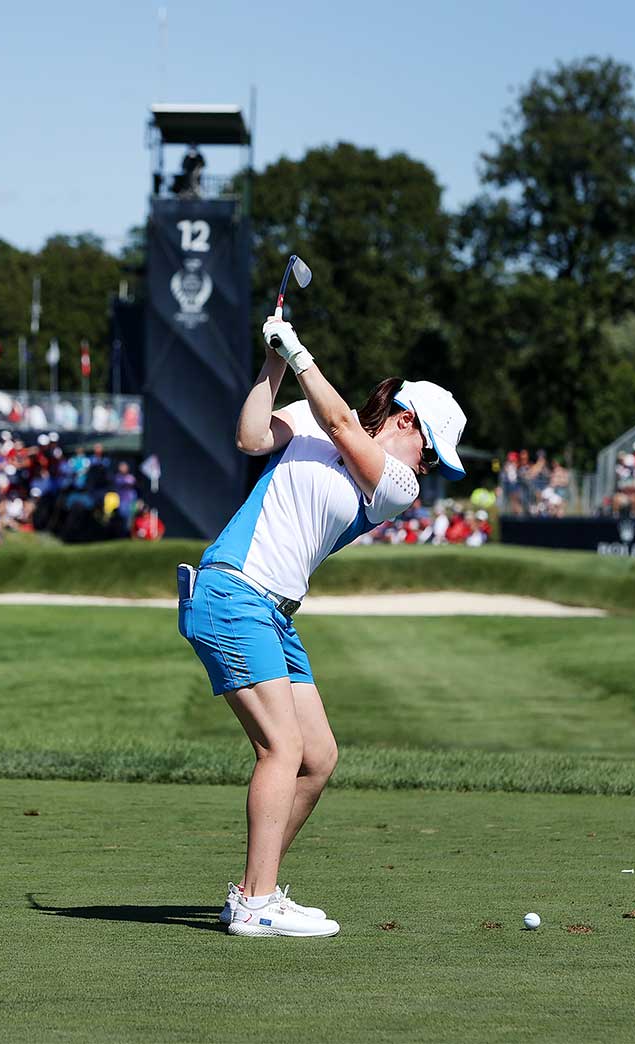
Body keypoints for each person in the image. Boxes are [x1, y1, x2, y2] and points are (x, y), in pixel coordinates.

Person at [177, 314, 466, 938]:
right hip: (234, 591)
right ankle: (254, 903)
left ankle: (258, 891)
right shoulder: (316, 418)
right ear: (406, 420)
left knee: (319, 756)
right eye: (432, 452)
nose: (430, 469)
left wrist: (300, 352)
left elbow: (338, 422)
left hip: (274, 611)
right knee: (282, 747)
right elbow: (253, 437)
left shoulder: (397, 485)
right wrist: (275, 362)